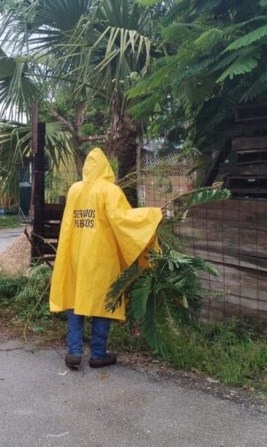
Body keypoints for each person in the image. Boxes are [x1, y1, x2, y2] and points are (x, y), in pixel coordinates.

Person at [50, 148, 162, 369]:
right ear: (105, 167)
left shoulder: (74, 190)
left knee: (75, 299)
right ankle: (98, 354)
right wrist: (153, 215)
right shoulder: (110, 191)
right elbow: (124, 219)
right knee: (103, 301)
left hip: (75, 256)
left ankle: (74, 352)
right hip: (101, 258)